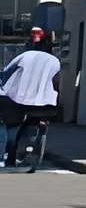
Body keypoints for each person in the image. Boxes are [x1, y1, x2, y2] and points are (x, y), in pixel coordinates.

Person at [3, 28, 62, 171]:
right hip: (45, 103)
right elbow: (57, 82)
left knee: (12, 126)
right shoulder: (55, 61)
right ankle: (39, 134)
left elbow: (6, 72)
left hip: (18, 99)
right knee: (39, 118)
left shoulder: (25, 56)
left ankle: (9, 157)